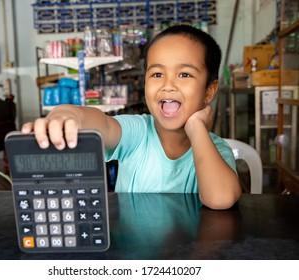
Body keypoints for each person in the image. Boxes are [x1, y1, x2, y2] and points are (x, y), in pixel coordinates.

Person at [22, 24, 242, 210]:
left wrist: (197, 129)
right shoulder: (137, 133)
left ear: (209, 91)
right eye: (157, 74)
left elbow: (220, 198)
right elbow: (101, 123)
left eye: (184, 74)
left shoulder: (217, 150)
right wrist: (65, 114)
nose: (168, 85)